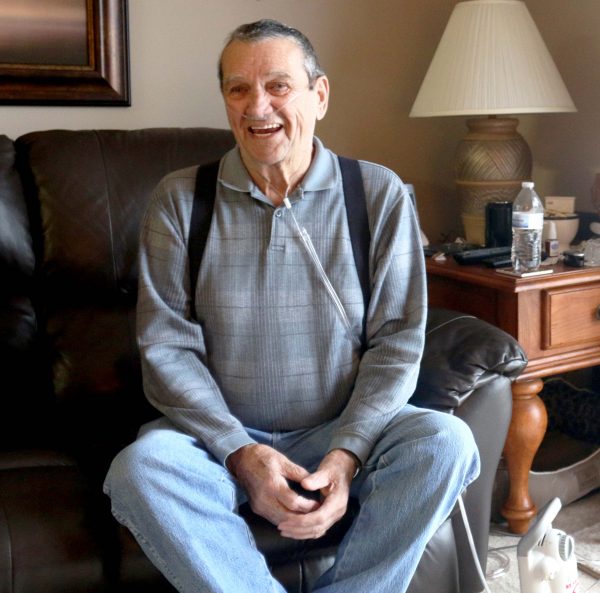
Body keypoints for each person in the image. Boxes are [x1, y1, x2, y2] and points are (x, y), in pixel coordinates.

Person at [104, 18, 480, 593]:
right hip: (219, 437)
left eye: (279, 86)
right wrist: (239, 452)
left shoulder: (377, 193)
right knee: (139, 471)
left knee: (446, 443)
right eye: (238, 89)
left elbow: (398, 341)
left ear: (319, 95)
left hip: (339, 428)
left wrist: (347, 454)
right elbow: (166, 348)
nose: (259, 107)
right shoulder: (180, 200)